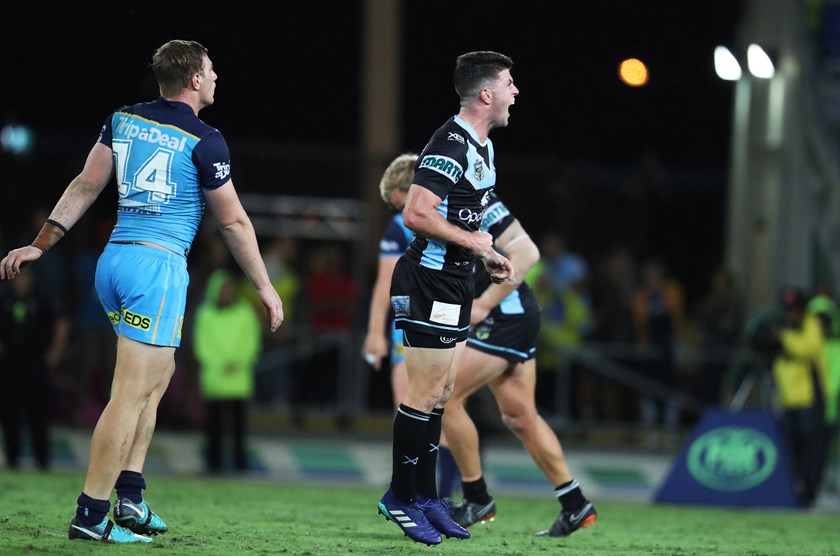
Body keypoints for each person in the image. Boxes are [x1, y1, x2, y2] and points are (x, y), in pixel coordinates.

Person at [0, 40, 284, 543]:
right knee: (129, 395)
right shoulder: (206, 139)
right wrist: (265, 286)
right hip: (157, 268)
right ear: (194, 79)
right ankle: (90, 515)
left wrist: (41, 244)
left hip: (114, 261)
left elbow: (86, 185)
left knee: (157, 379)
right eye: (212, 70)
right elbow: (234, 222)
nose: (217, 77)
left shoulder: (123, 119)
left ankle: (129, 496)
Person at [376, 51, 516, 546]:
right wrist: (476, 242)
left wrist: (487, 253)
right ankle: (399, 496)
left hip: (456, 282)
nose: (514, 92)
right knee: (422, 394)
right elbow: (416, 213)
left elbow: (465, 222)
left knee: (440, 395)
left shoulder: (483, 147)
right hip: (428, 281)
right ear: (486, 94)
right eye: (508, 83)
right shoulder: (449, 141)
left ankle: (428, 497)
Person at [443, 192, 597, 537]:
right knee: (520, 416)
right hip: (515, 315)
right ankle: (575, 504)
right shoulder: (455, 195)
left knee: (445, 396)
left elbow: (526, 252)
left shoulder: (464, 195)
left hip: (503, 316)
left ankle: (475, 496)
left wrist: (483, 304)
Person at [361, 153, 460, 499]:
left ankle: (417, 496)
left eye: (394, 201)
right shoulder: (456, 213)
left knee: (411, 405)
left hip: (415, 325)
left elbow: (384, 284)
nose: (394, 210)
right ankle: (440, 495)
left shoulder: (404, 224)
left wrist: (375, 333)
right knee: (440, 406)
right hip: (452, 319)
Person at [0, 266, 70, 470]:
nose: (21, 282)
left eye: (26, 277)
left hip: (36, 361)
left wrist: (55, 352)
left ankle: (42, 461)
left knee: (38, 412)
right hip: (9, 361)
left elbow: (62, 321)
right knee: (9, 411)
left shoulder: (43, 296)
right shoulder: (4, 296)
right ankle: (12, 460)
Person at [193, 268, 262, 474]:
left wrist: (238, 362)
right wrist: (219, 363)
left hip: (238, 377)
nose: (226, 293)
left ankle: (240, 462)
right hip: (215, 377)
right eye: (223, 289)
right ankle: (213, 463)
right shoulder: (205, 314)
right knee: (213, 424)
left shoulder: (245, 312)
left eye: (229, 289)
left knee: (239, 426)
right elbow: (202, 344)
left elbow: (251, 341)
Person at [773, 287, 829, 507]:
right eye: (789, 310)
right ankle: (794, 488)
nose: (792, 314)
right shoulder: (784, 327)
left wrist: (784, 337)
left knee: (810, 445)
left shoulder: (811, 324)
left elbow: (809, 348)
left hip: (809, 398)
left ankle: (809, 490)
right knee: (791, 446)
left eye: (795, 310)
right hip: (788, 398)